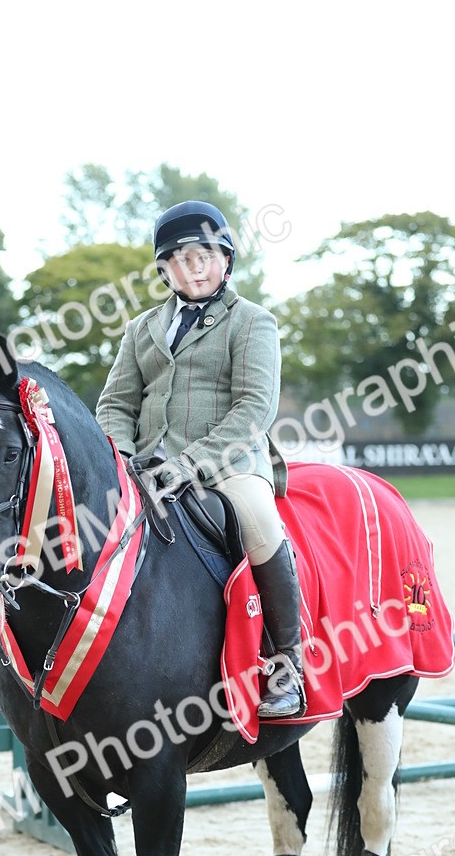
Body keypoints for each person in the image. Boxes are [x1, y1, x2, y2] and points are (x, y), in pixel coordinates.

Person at [95, 199, 305, 717]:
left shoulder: (253, 322)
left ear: (225, 260)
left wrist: (190, 465)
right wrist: (119, 457)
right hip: (145, 468)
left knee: (259, 522)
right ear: (164, 269)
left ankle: (286, 662)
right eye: (181, 258)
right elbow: (116, 404)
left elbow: (255, 408)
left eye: (204, 255)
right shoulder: (141, 329)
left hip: (230, 464)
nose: (194, 266)